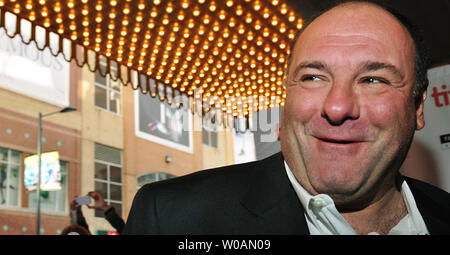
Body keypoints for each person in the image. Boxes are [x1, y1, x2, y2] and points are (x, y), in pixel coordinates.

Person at [123, 1, 450, 235]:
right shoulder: (173, 219)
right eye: (313, 77)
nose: (337, 107)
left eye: (373, 80)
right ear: (287, 92)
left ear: (418, 106)